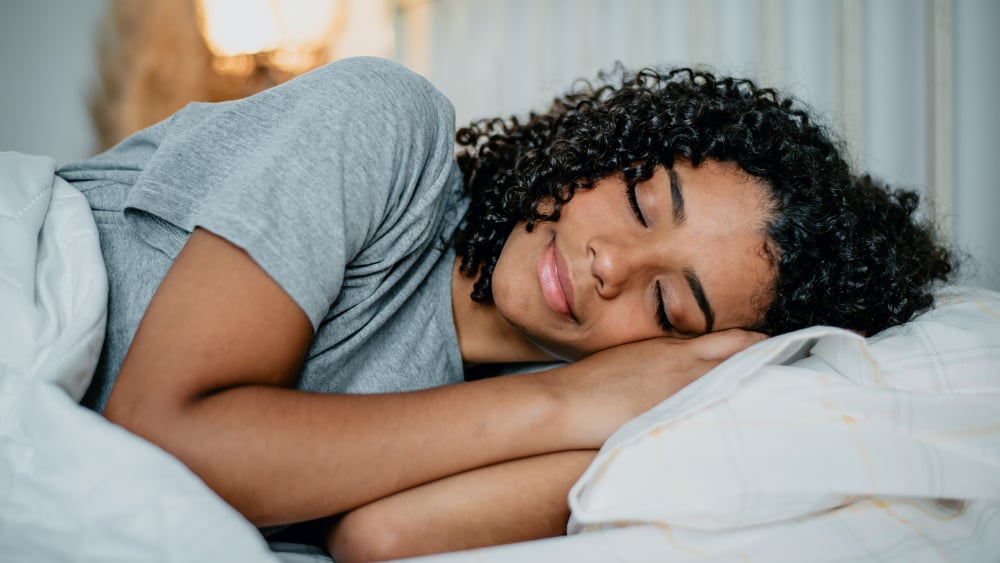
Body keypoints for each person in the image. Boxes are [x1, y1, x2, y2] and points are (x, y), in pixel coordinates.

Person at [58, 57, 952, 562]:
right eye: (642, 202)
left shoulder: (569, 411)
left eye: (669, 303)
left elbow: (382, 538)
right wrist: (562, 402)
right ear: (609, 151)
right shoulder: (388, 129)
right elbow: (158, 438)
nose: (612, 264)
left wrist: (605, 410)